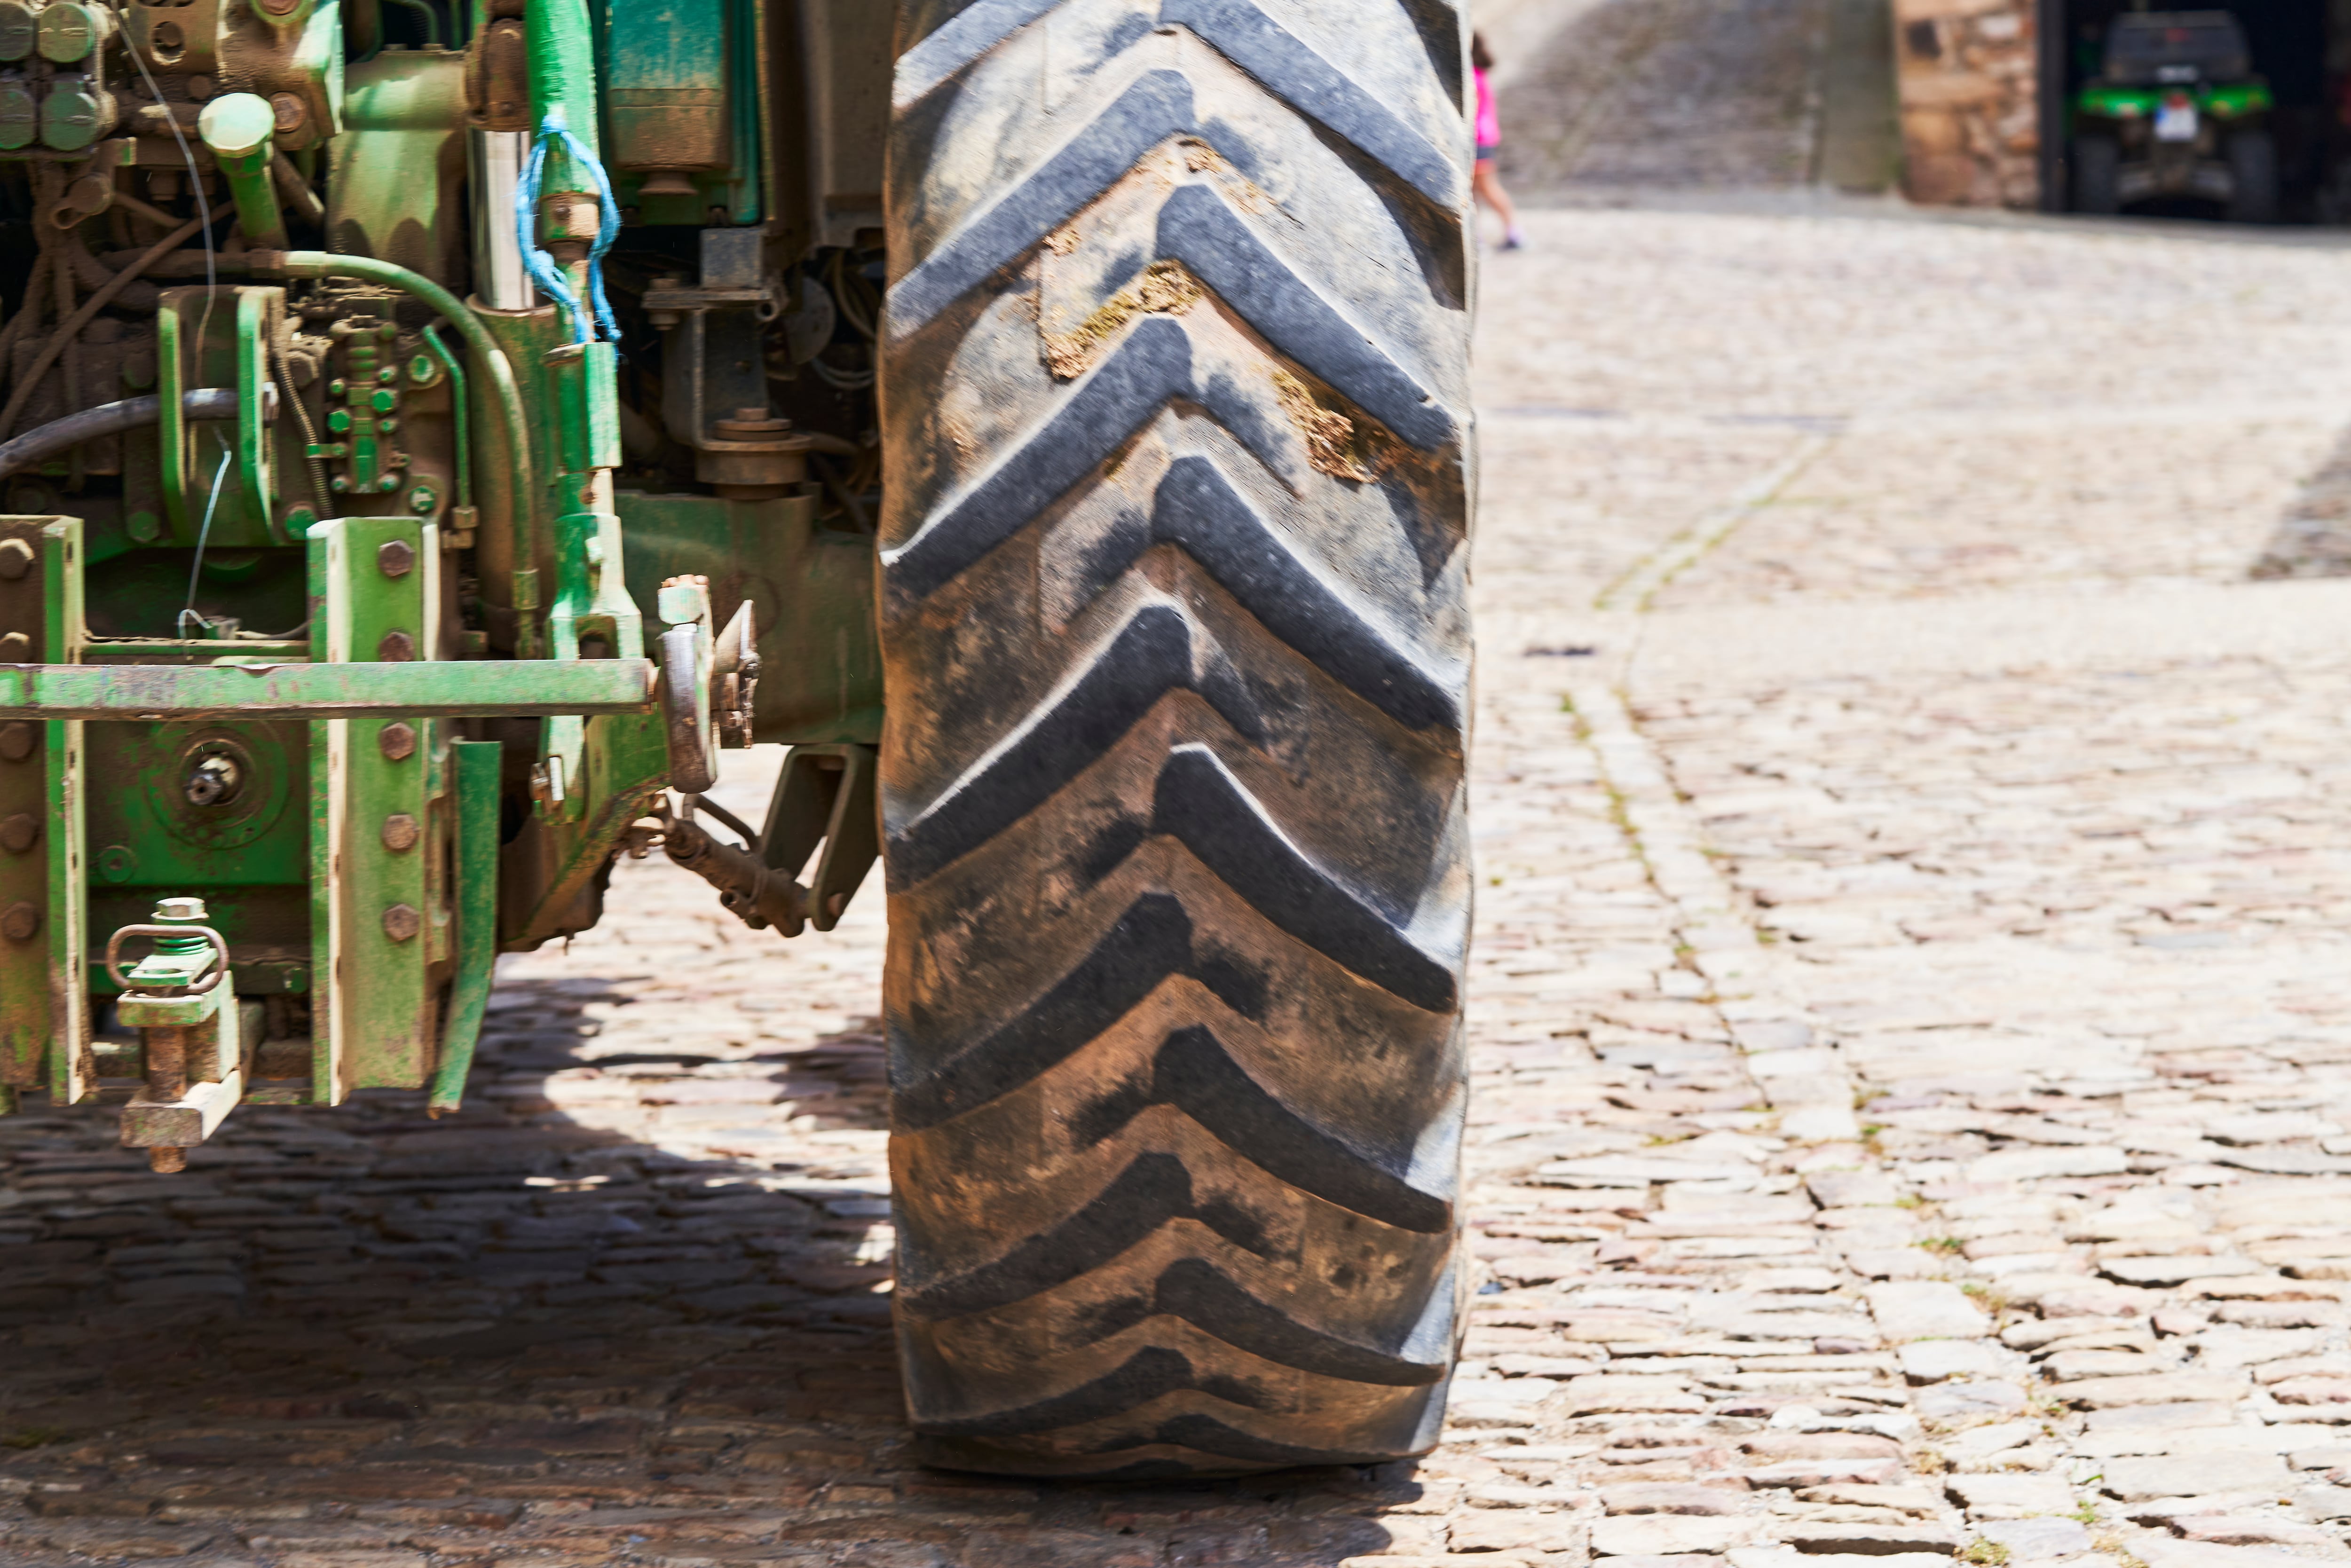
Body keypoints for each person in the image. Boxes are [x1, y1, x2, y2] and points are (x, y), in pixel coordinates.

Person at [1473, 33, 1525, 251]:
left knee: (1483, 189)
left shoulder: (1471, 76)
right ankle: (1488, 235)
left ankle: (1510, 232)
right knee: (1481, 189)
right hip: (1485, 137)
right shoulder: (1480, 73)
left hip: (1476, 138)